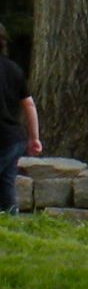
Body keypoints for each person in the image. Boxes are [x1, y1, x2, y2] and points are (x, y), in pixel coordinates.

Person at [0, 28, 36, 215]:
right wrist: (34, 137)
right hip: (14, 138)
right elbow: (29, 105)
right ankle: (10, 221)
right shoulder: (14, 69)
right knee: (6, 182)